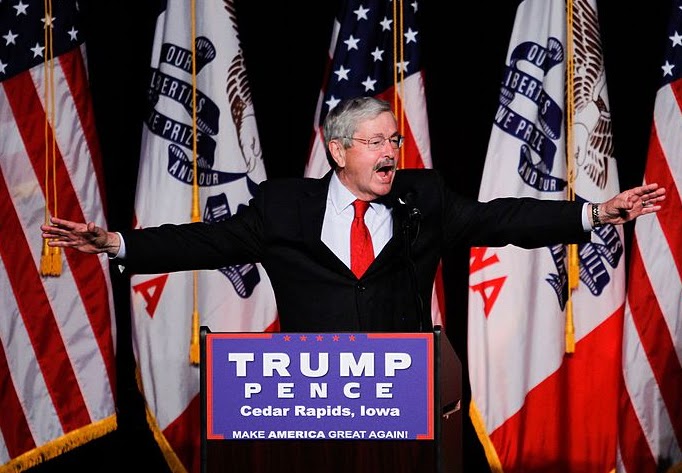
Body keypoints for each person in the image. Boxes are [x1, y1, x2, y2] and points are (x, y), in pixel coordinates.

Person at [41, 96, 666, 333]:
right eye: (376, 142)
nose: (392, 152)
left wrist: (594, 212)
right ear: (339, 151)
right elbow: (208, 243)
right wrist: (117, 241)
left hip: (406, 399)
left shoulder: (424, 199)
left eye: (395, 140)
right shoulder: (286, 207)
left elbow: (503, 218)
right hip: (312, 407)